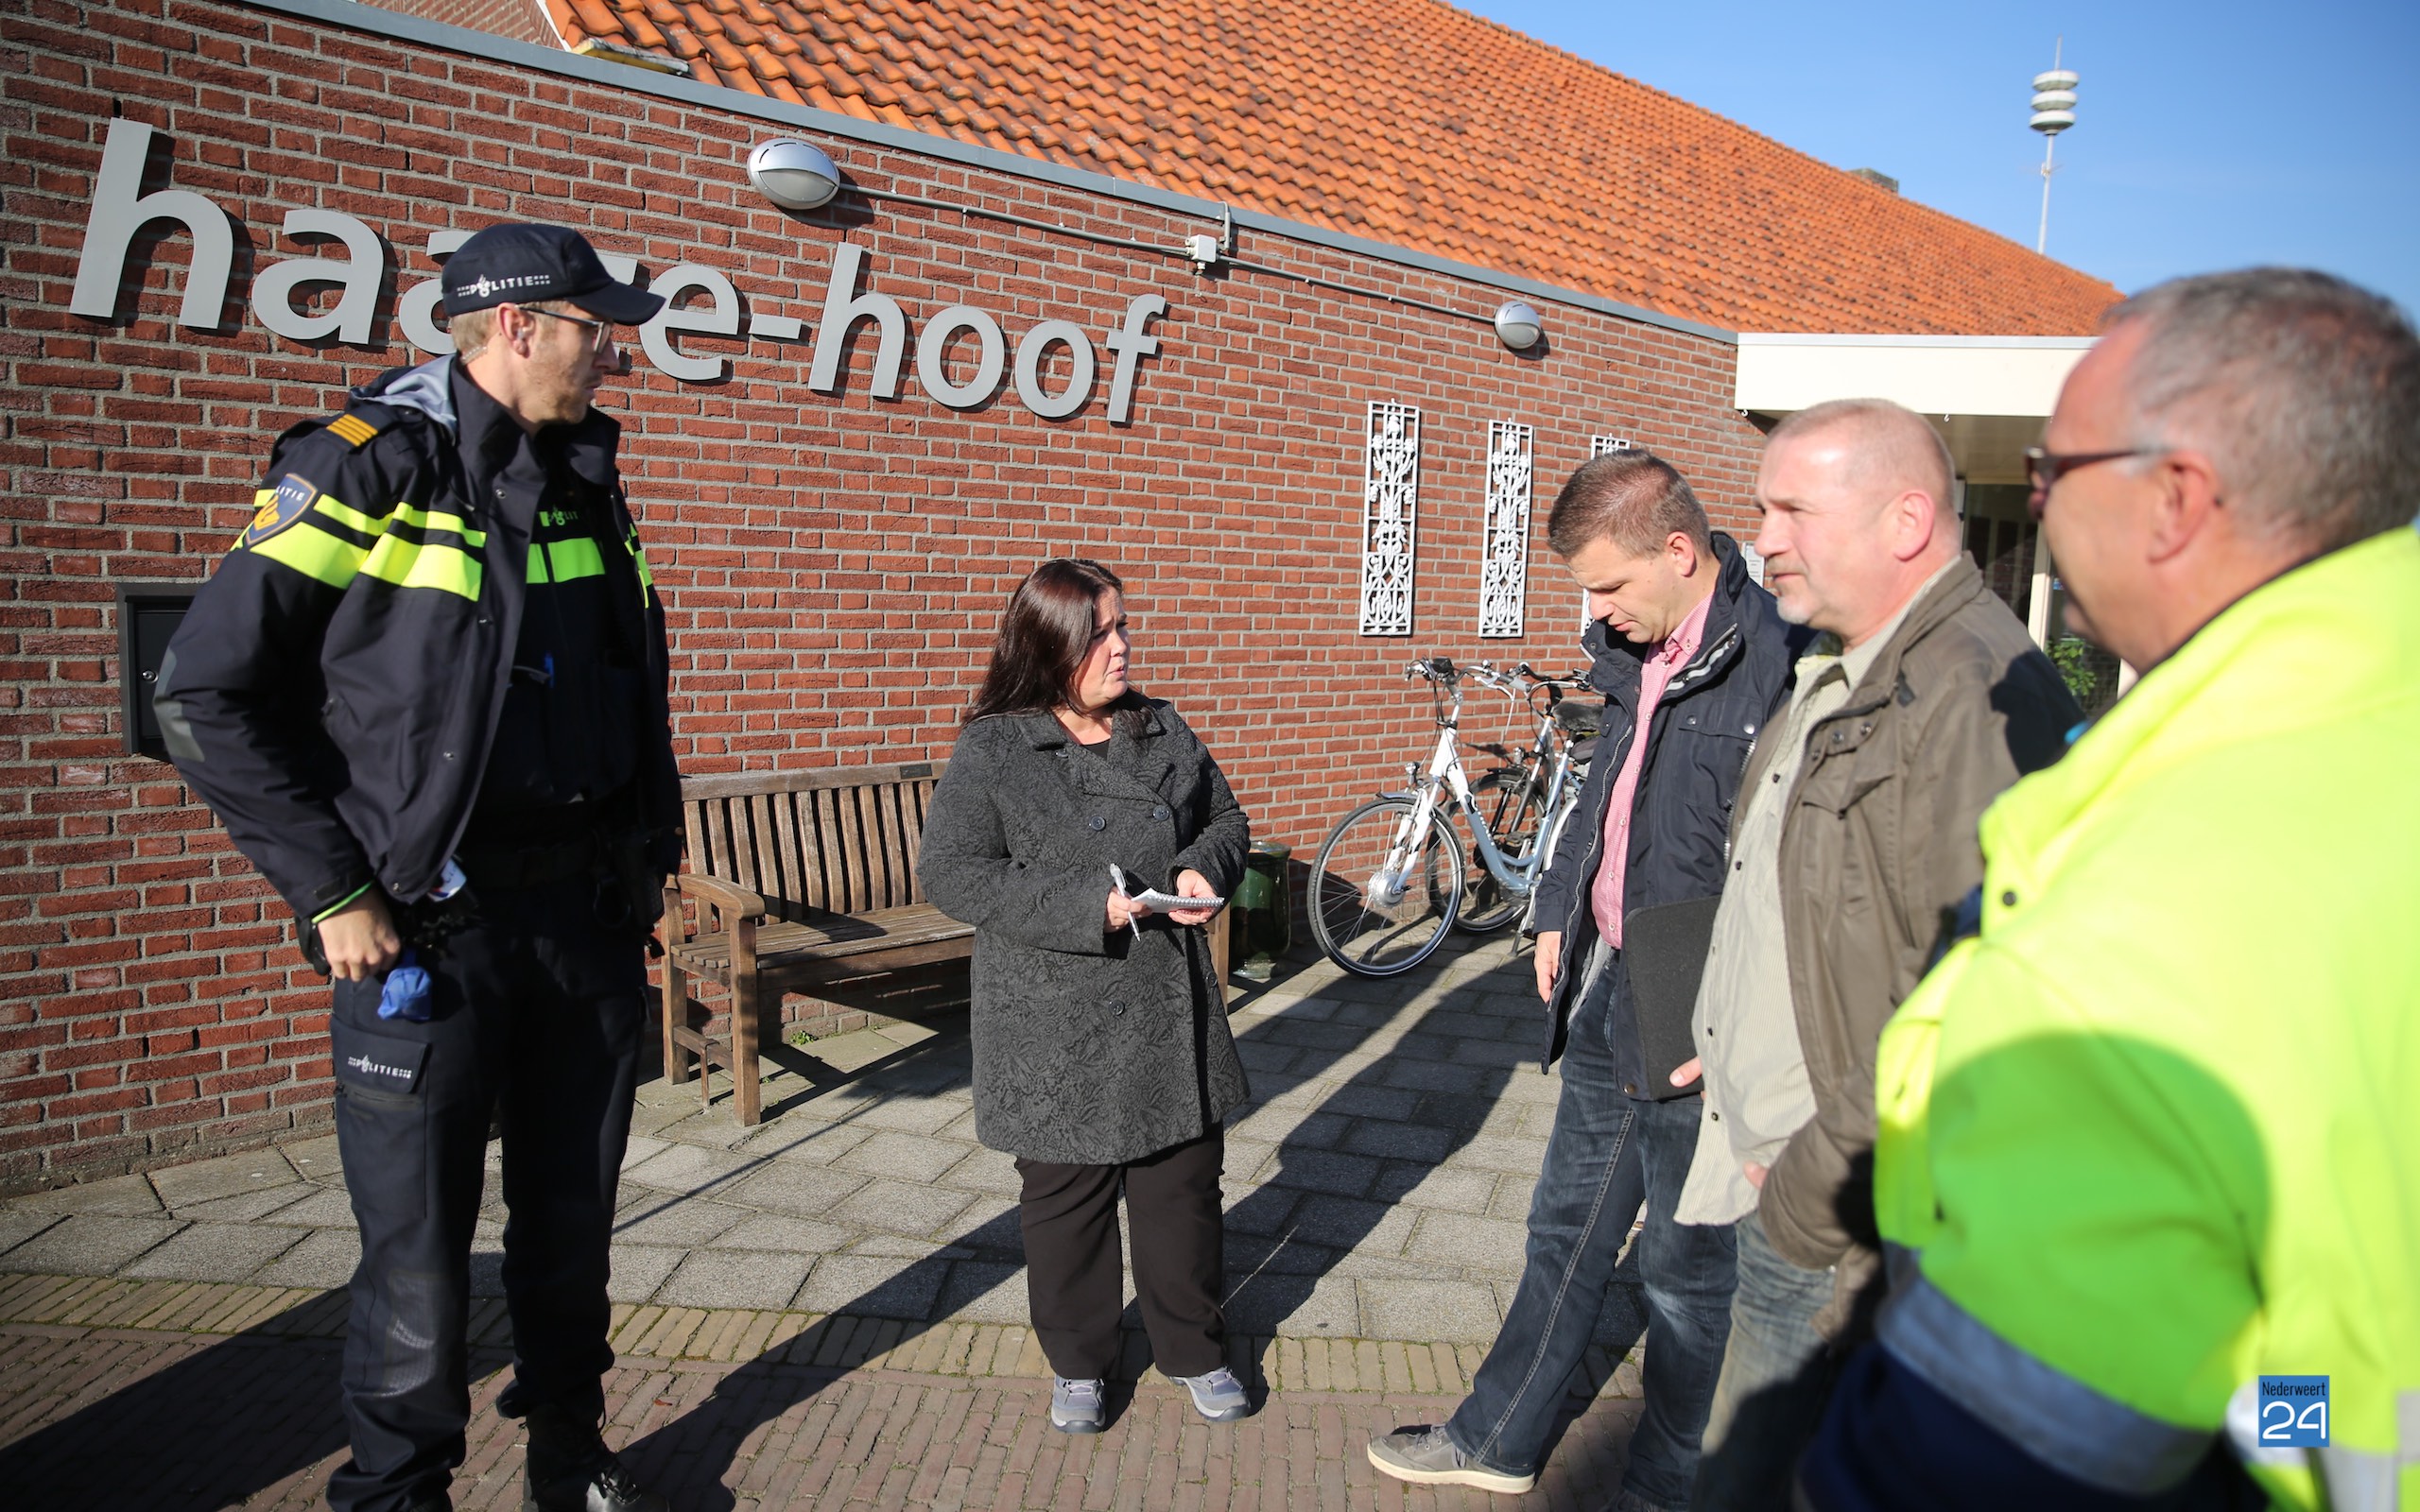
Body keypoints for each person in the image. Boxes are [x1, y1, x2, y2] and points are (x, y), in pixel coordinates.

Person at [1801, 271, 2420, 1510]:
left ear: (2176, 498)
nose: (2030, 502)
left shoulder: (2146, 910)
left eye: (2053, 471)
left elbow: (1991, 1454)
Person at [154, 223, 680, 1512]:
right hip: (431, 933)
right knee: (418, 1254)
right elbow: (204, 693)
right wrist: (332, 889)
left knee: (572, 1223)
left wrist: (645, 867)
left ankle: (568, 1451)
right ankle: (397, 1490)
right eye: (594, 328)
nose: (614, 352)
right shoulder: (369, 467)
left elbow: (625, 684)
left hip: (583, 919)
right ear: (515, 327)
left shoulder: (587, 479)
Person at [1368, 452, 1803, 1510]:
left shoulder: (1781, 665)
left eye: (1608, 585)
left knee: (1687, 1280)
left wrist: (1750, 1023)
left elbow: (1800, 875)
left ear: (1678, 550)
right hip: (1614, 981)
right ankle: (1497, 1438)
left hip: (1702, 1012)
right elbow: (1606, 791)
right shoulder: (1632, 648)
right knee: (1563, 1229)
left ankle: (1667, 1488)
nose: (1596, 611)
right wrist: (1560, 905)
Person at [1671, 397, 2079, 1508]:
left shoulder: (1970, 697)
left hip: (1835, 1203)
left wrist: (1809, 1188)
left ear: (1904, 520)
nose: (1762, 538)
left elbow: (1968, 998)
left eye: (1791, 509)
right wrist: (1729, 1032)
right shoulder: (1845, 664)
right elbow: (1818, 908)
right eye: (1761, 509)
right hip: (1790, 1164)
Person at [916, 558, 1254, 1435]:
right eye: (1099, 633)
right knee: (1066, 1203)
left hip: (1165, 1003)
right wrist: (1087, 908)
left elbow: (1227, 819)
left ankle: (1195, 1348)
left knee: (1182, 1191)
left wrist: (1202, 866)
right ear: (1048, 645)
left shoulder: (1161, 724)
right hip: (1049, 1015)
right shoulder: (997, 747)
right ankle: (1079, 1362)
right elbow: (951, 872)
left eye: (1122, 625)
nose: (1122, 645)